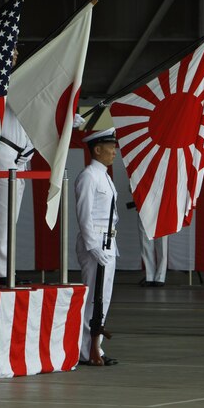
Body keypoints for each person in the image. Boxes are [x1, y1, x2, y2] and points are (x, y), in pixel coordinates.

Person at [0, 47, 34, 286]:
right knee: (3, 214)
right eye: (9, 51)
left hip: (20, 154)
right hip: (3, 148)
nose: (14, 55)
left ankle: (6, 267)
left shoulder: (18, 79)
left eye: (16, 52)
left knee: (11, 215)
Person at [75, 128, 119, 366]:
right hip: (96, 244)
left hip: (108, 243)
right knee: (93, 298)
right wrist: (93, 246)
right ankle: (84, 350)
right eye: (110, 147)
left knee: (104, 298)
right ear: (97, 149)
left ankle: (96, 349)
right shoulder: (89, 176)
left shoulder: (104, 176)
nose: (114, 151)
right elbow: (84, 216)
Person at [137, 216, 168, 287]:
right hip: (145, 209)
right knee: (145, 243)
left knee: (162, 245)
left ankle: (160, 277)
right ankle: (150, 276)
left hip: (161, 209)